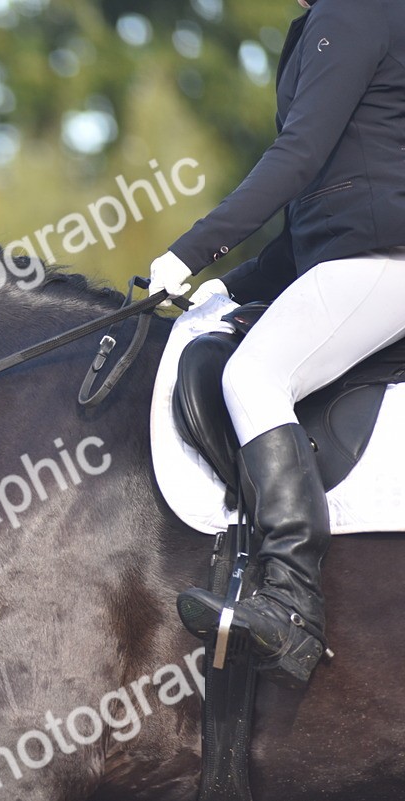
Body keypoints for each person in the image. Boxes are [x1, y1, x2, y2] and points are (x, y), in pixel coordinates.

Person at [147, 0, 405, 687]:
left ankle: (292, 601)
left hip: (385, 256)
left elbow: (296, 160)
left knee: (255, 376)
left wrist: (191, 249)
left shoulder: (353, 13)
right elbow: (312, 212)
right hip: (354, 252)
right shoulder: (332, 22)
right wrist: (226, 287)